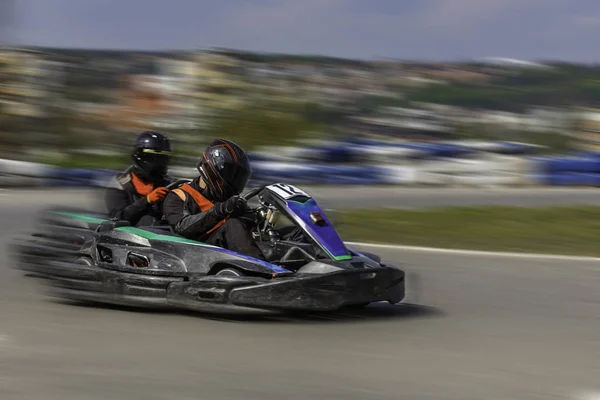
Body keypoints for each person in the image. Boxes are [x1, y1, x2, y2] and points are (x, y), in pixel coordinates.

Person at [162, 138, 267, 260]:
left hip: (225, 250)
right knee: (232, 225)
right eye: (232, 174)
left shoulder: (225, 199)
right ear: (213, 168)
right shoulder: (177, 195)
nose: (235, 180)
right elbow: (183, 227)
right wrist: (219, 210)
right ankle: (267, 270)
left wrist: (257, 218)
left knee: (283, 230)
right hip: (194, 253)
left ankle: (289, 264)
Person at [105, 131, 173, 226]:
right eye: (152, 157)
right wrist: (147, 200)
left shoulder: (167, 183)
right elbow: (117, 217)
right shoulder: (120, 184)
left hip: (162, 233)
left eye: (162, 158)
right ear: (140, 156)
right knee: (147, 220)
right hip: (128, 235)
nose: (158, 163)